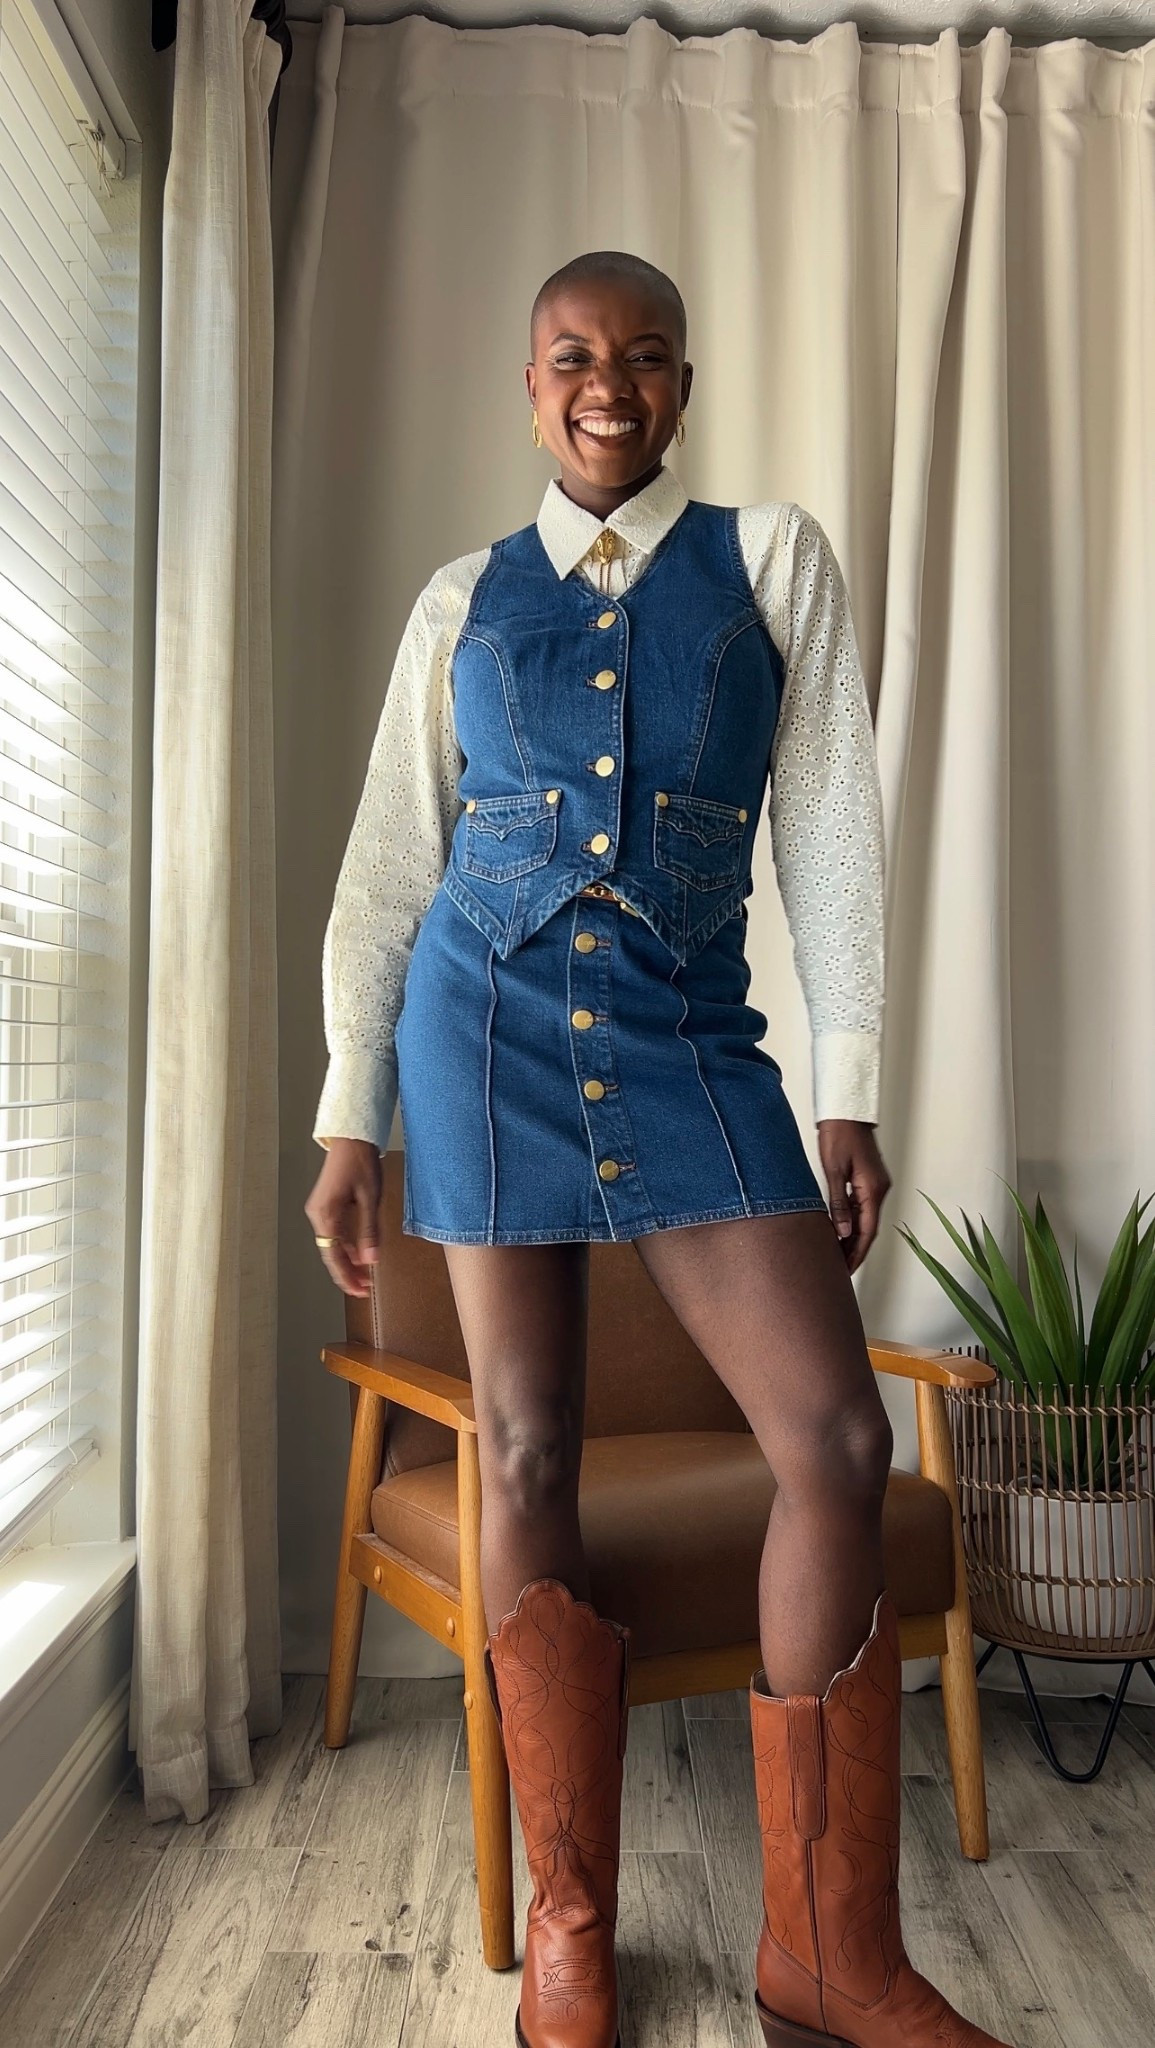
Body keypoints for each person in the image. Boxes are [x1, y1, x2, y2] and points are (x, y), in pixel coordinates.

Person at [306, 251, 1010, 2048]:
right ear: (526, 385)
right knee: (527, 1439)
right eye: (569, 357)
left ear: (682, 382)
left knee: (837, 1436)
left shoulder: (772, 562)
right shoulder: (459, 602)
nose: (605, 385)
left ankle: (828, 1952)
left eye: (640, 358)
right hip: (481, 1046)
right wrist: (344, 1112)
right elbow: (393, 873)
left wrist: (846, 1082)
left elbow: (835, 831)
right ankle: (572, 1931)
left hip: (696, 1045)